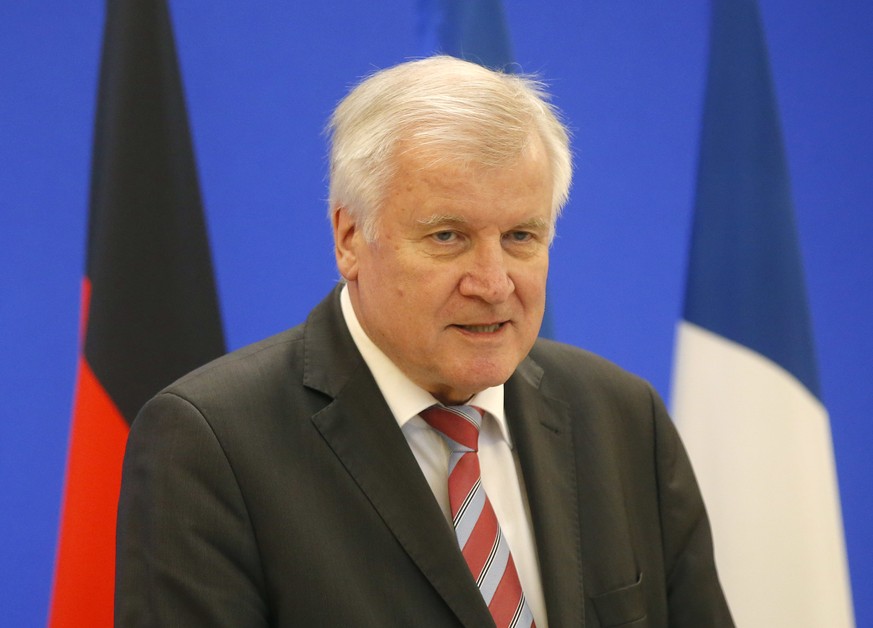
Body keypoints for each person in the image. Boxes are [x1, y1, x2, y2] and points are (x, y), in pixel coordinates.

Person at [115, 55, 733, 627]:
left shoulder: (623, 417)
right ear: (350, 237)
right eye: (447, 236)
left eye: (521, 236)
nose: (493, 284)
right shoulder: (211, 443)